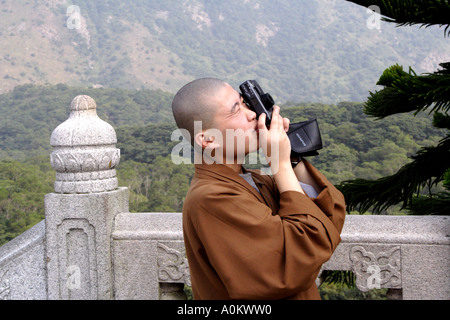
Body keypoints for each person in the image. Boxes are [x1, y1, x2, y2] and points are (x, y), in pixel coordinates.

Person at [171, 78, 346, 300]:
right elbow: (302, 255)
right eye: (236, 110)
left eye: (245, 103)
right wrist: (279, 164)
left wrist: (291, 156)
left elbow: (329, 219)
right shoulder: (212, 199)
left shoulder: (254, 180)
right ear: (207, 139)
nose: (252, 114)